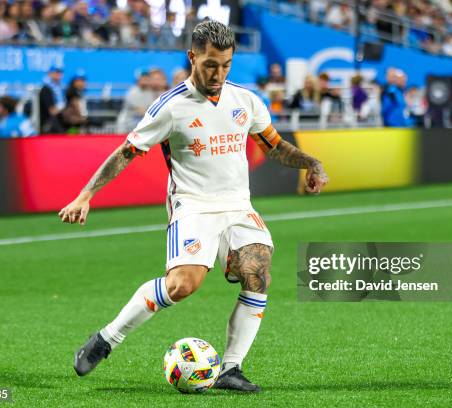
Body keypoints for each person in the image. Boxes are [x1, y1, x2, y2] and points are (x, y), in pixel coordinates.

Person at [60, 20, 329, 392]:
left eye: (226, 65)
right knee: (182, 286)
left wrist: (311, 163)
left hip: (237, 205)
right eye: (210, 65)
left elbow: (275, 146)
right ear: (192, 57)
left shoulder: (245, 101)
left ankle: (231, 369)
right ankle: (106, 339)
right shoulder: (170, 108)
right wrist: (86, 195)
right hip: (193, 206)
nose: (218, 73)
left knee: (258, 272)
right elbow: (127, 152)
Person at [39, 65, 65, 133]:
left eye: (60, 72)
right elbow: (52, 111)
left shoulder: (60, 89)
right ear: (49, 73)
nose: (59, 74)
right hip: (48, 124)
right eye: (56, 72)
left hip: (58, 121)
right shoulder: (46, 89)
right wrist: (61, 106)